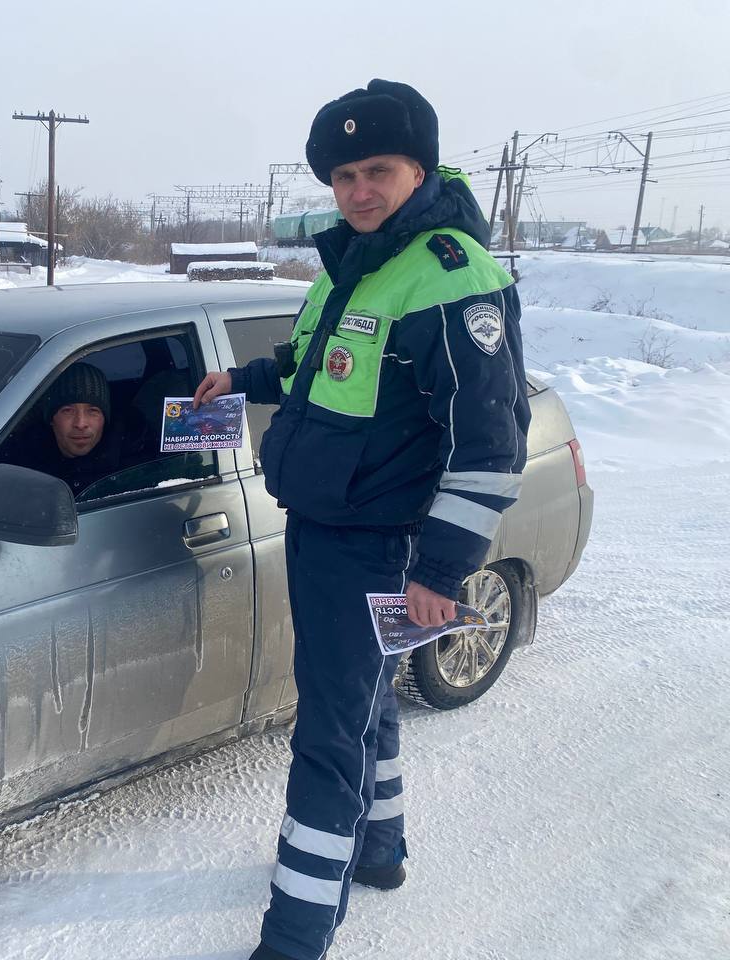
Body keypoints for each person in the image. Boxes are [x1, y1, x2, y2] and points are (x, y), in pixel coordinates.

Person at [193, 79, 530, 960]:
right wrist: (244, 382)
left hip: (384, 544)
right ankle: (380, 849)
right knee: (364, 707)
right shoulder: (355, 265)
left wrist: (440, 573)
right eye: (343, 176)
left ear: (420, 168)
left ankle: (297, 933)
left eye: (377, 170)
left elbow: (490, 445)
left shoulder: (453, 274)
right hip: (325, 528)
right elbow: (315, 367)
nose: (359, 191)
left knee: (328, 734)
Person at [5, 362, 130, 497]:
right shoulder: (20, 465)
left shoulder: (132, 465)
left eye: (92, 411)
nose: (80, 423)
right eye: (68, 411)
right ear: (51, 419)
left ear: (105, 418)